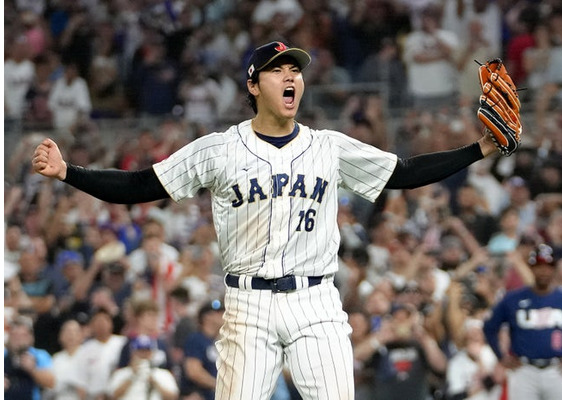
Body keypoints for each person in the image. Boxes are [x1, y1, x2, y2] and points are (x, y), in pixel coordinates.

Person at [33, 40, 505, 400]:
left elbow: (403, 173)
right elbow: (140, 186)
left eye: (296, 69)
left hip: (316, 302)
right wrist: (68, 172)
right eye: (279, 69)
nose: (291, 76)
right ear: (254, 85)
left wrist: (480, 148)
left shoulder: (328, 147)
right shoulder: (218, 150)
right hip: (247, 306)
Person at [483, 243, 562, 400]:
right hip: (524, 369)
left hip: (557, 369)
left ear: (554, 269)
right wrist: (501, 356)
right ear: (531, 268)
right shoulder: (513, 299)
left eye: (548, 266)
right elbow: (489, 327)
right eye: (539, 266)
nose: (543, 271)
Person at [108, 334, 179, 400]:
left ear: (152, 353)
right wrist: (132, 376)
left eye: (146, 351)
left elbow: (173, 396)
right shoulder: (121, 373)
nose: (143, 355)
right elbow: (113, 396)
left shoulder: (163, 374)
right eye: (140, 351)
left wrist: (154, 381)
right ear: (133, 353)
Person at [4, 315, 55, 399]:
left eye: (23, 335)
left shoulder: (39, 355)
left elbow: (51, 383)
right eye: (15, 335)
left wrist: (33, 370)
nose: (18, 339)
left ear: (31, 337)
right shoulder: (3, 355)